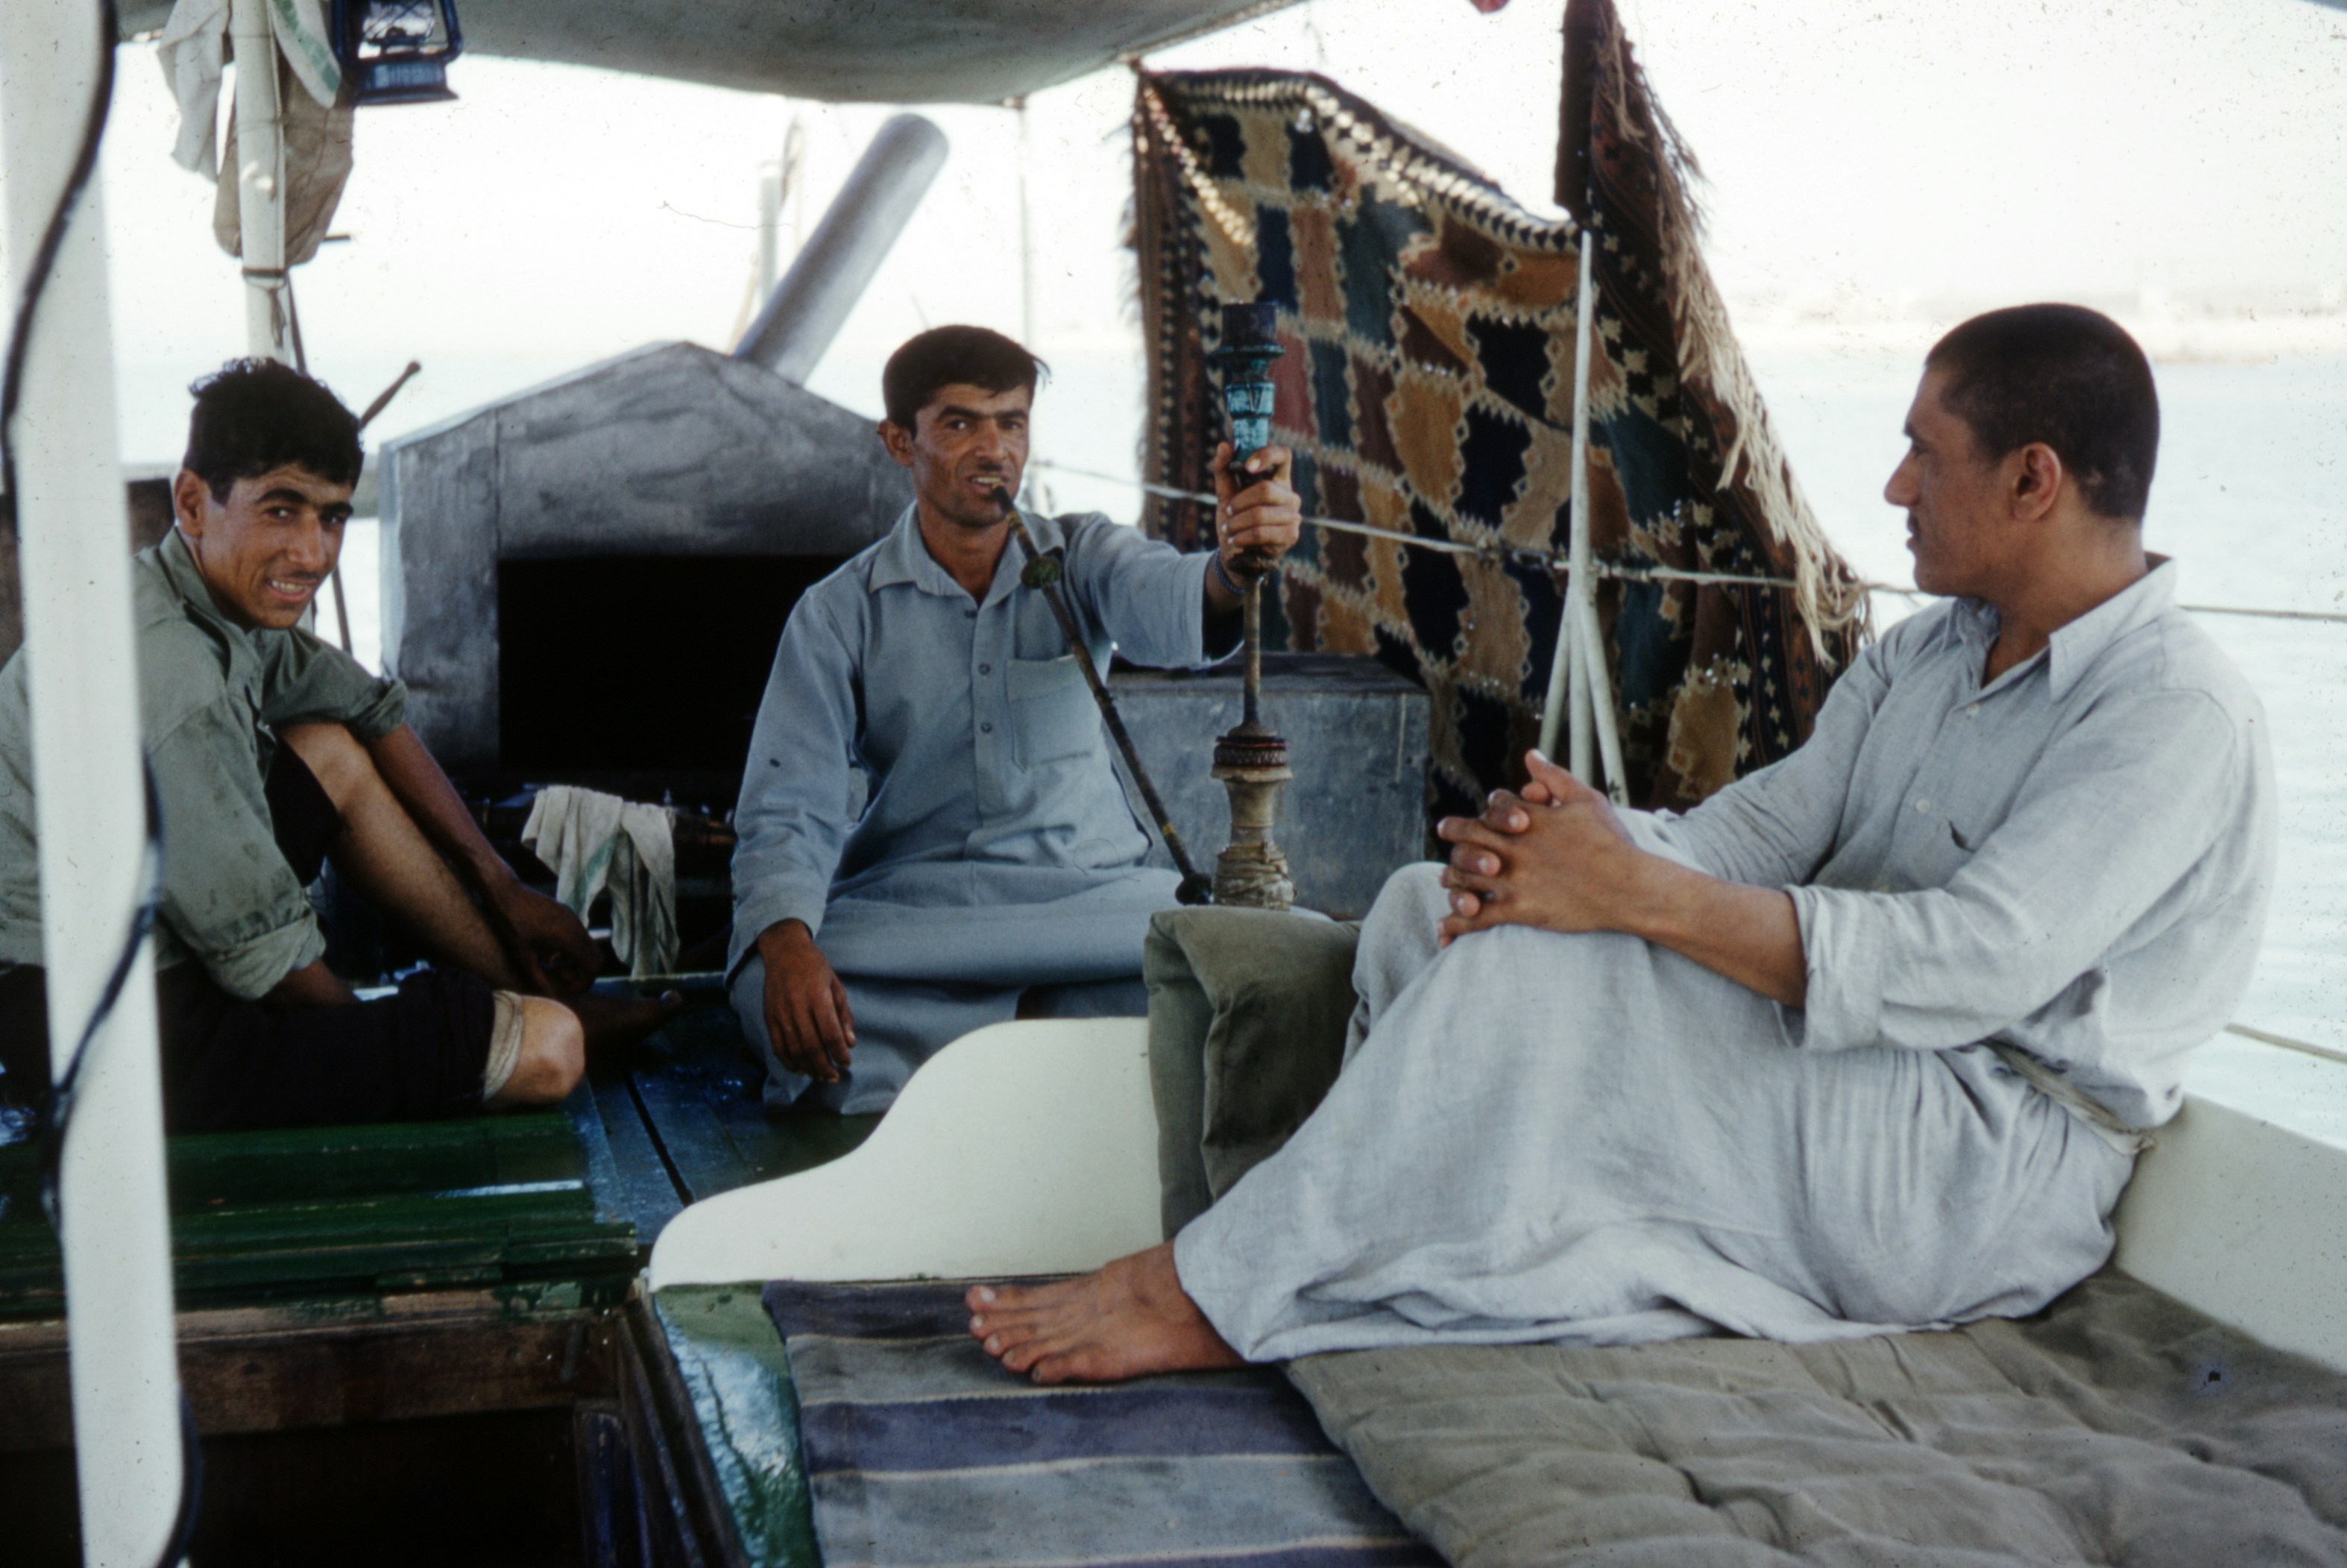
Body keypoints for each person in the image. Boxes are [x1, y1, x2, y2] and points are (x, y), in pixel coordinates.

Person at [965, 303, 2277, 1383]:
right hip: (1855, 1070)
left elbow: (1966, 962)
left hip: (1975, 1157)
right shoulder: (1931, 648)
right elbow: (1754, 832)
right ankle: (1348, 1247)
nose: (1891, 487)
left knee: (1543, 966)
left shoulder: (2170, 712)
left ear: (2032, 478)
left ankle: (1220, 1287)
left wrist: (1625, 895)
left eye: (1920, 454)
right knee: (1440, 907)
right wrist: (1567, 843)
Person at [0, 359, 675, 1134]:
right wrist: (375, 1052)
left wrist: (504, 890)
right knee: (549, 1052)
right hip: (98, 1026)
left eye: (332, 518)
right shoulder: (170, 673)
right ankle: (548, 1019)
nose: (314, 554)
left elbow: (366, 709)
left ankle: (532, 990)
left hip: (153, 941)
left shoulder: (199, 600)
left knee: (328, 749)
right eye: (281, 511)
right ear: (192, 502)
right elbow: (264, 953)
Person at [729, 325, 1300, 1114]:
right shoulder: (837, 613)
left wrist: (1236, 561)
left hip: (1091, 903)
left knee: (1272, 957)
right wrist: (788, 941)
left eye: (1012, 423)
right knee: (765, 981)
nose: (993, 448)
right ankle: (1057, 1036)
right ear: (900, 442)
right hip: (923, 912)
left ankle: (972, 1053)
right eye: (960, 424)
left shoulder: (1085, 554)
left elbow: (1173, 602)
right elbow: (788, 804)